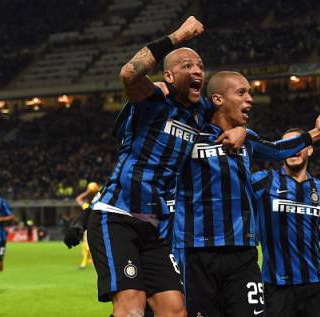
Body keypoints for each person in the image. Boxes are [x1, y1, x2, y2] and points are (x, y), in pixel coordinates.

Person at [84, 17, 246, 317]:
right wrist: (177, 36)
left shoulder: (201, 111)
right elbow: (129, 73)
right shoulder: (155, 100)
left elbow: (230, 112)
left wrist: (242, 131)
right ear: (169, 76)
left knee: (174, 310)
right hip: (117, 215)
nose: (197, 70)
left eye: (199, 65)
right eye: (187, 65)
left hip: (153, 227)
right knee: (131, 307)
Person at [173, 71, 320, 317]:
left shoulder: (248, 141)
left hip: (243, 253)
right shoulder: (189, 137)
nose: (250, 99)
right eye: (242, 93)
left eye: (250, 92)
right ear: (217, 100)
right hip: (197, 253)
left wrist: (315, 133)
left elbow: (277, 150)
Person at [251, 128, 320, 317]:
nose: (293, 150)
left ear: (310, 150)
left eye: (297, 144)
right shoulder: (263, 182)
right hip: (276, 287)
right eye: (287, 146)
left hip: (315, 286)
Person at [75, 182, 99, 269]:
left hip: (90, 228)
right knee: (86, 246)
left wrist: (87, 191)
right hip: (95, 227)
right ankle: (89, 261)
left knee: (87, 246)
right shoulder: (97, 206)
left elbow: (78, 199)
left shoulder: (87, 207)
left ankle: (84, 264)